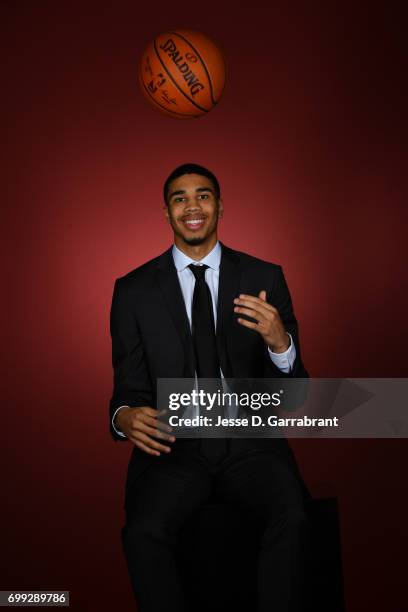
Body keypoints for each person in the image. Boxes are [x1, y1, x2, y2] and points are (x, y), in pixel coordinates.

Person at [109, 163, 310, 612]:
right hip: (174, 446)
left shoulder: (265, 277)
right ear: (166, 213)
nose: (192, 206)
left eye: (203, 195)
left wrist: (281, 343)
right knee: (142, 532)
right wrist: (123, 417)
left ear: (220, 206)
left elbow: (296, 395)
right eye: (180, 198)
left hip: (250, 443)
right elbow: (127, 390)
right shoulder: (133, 291)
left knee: (293, 517)